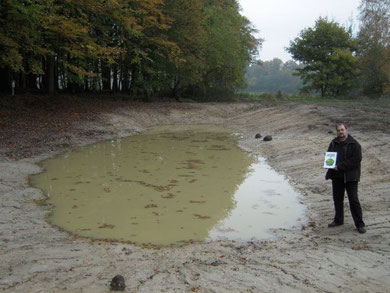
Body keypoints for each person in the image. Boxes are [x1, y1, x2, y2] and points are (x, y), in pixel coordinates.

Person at [325, 123, 366, 234]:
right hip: (337, 176)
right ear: (336, 132)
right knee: (337, 200)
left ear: (346, 130)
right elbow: (329, 156)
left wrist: (340, 166)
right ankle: (338, 220)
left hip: (351, 177)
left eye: (342, 130)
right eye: (338, 130)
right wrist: (328, 164)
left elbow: (356, 160)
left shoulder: (355, 144)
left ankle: (360, 224)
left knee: (353, 200)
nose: (341, 132)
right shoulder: (333, 143)